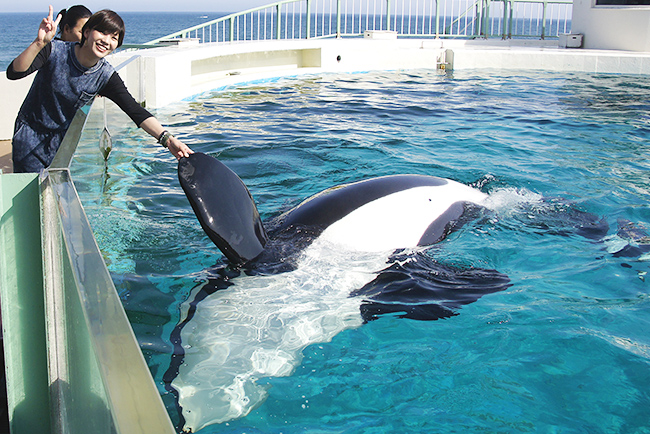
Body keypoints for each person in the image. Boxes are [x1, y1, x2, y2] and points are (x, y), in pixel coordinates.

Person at [7, 6, 193, 173]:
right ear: (87, 32)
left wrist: (168, 140)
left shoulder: (105, 75)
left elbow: (134, 110)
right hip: (30, 134)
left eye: (114, 37)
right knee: (31, 196)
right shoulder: (55, 51)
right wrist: (39, 43)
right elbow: (14, 72)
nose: (106, 41)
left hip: (62, 142)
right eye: (102, 32)